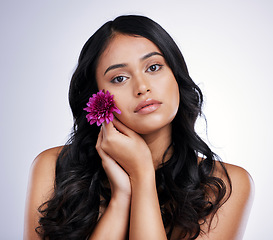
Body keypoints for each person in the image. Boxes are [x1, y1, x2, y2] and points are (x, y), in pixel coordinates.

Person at [24, 15, 254, 240]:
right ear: (96, 98)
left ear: (176, 76)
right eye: (119, 78)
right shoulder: (54, 167)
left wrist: (142, 176)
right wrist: (121, 197)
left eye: (153, 67)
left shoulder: (226, 184)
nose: (142, 87)